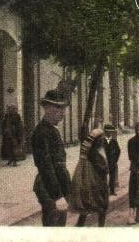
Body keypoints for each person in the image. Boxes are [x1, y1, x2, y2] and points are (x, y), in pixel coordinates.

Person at [31, 89, 71, 227]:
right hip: (48, 187)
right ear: (46, 108)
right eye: (58, 108)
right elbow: (45, 167)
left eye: (63, 108)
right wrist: (57, 195)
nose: (62, 113)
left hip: (57, 185)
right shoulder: (41, 132)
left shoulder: (52, 130)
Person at [70, 128, 110, 227]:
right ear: (96, 141)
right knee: (100, 207)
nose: (102, 140)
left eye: (102, 138)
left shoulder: (100, 149)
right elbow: (99, 166)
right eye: (100, 139)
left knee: (90, 209)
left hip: (99, 182)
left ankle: (81, 226)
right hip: (95, 183)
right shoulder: (93, 152)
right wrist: (105, 169)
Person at [103, 124, 121, 196]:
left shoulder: (114, 141)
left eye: (111, 132)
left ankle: (112, 190)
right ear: (105, 132)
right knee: (103, 176)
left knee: (112, 176)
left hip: (112, 162)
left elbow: (118, 151)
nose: (109, 133)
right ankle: (104, 191)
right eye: (108, 132)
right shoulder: (101, 141)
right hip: (103, 162)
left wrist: (115, 160)